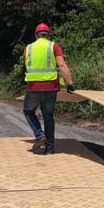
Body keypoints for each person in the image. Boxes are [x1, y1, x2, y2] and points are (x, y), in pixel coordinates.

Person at [23, 23, 74, 154]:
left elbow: (27, 65)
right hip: (50, 87)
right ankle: (50, 148)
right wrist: (69, 83)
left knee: (28, 111)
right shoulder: (53, 46)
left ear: (36, 35)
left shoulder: (28, 48)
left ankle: (39, 135)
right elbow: (61, 65)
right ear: (48, 34)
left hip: (33, 87)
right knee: (48, 116)